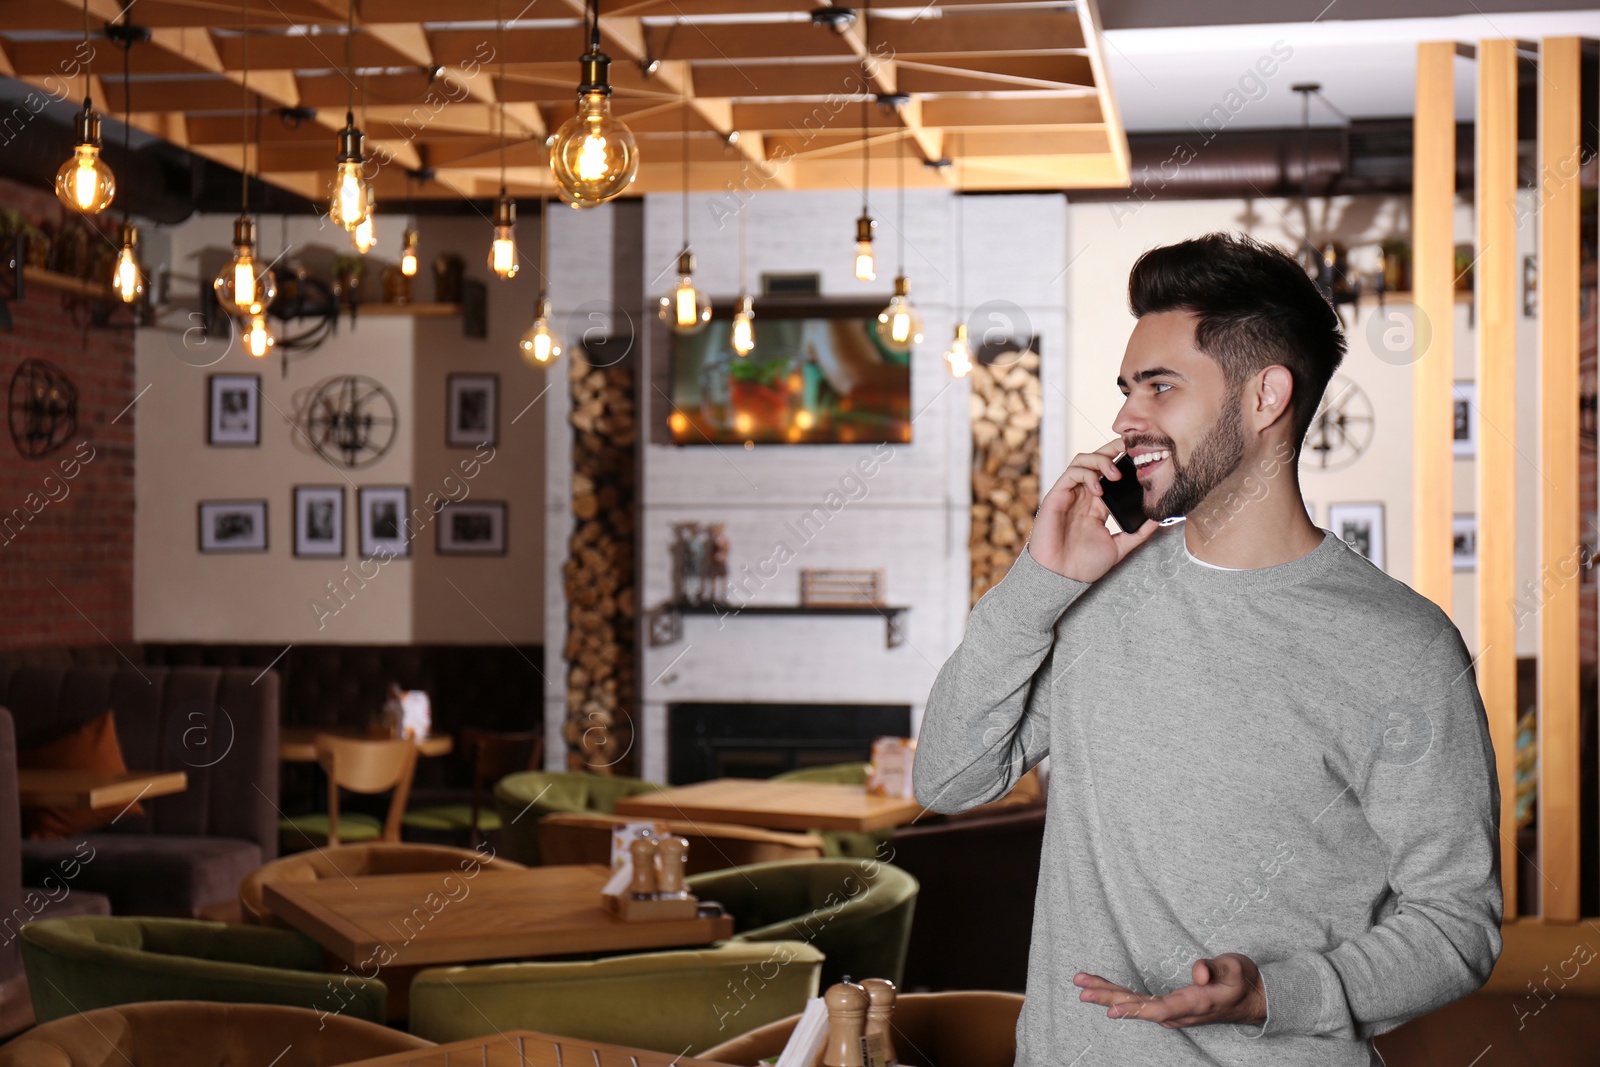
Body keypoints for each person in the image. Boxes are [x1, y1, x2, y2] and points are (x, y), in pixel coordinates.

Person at [913, 232, 1502, 1066]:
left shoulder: (1402, 648)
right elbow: (947, 776)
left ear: (1266, 397)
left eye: (1161, 386)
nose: (1124, 416)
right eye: (1126, 388)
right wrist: (1039, 581)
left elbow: (1458, 924)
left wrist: (1273, 991)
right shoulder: (1096, 593)